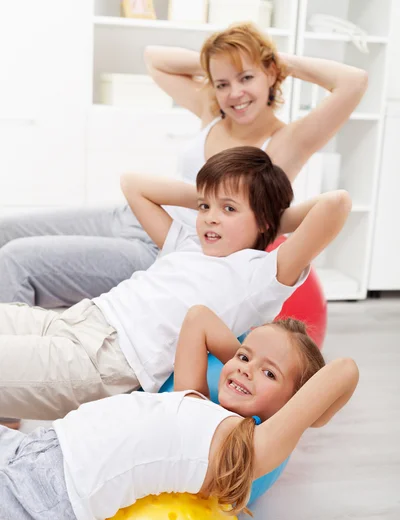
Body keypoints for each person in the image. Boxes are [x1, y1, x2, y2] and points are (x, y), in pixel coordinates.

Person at [0, 22, 367, 309]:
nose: (235, 94)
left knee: (17, 261)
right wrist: (224, 60)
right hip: (132, 214)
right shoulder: (213, 110)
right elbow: (154, 57)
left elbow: (354, 82)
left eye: (247, 78)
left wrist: (271, 58)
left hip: (170, 247)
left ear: (271, 74)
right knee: (5, 231)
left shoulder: (290, 141)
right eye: (222, 83)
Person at [0, 147, 351, 421]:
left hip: (100, 362)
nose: (210, 217)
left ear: (262, 221)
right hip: (72, 320)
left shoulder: (263, 274)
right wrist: (214, 194)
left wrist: (272, 218)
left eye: (229, 209)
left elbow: (336, 204)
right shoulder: (186, 243)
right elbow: (133, 185)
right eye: (205, 206)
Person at [0, 303, 359, 520]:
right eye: (244, 357)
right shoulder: (194, 396)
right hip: (37, 448)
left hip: (43, 496)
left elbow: (344, 370)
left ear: (291, 404)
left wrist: (308, 416)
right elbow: (197, 318)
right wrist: (255, 361)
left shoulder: (240, 450)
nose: (246, 370)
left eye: (270, 374)